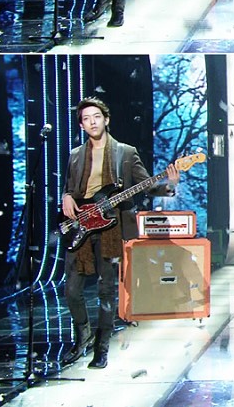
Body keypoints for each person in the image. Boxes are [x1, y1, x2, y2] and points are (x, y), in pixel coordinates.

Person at [60, 97, 178, 369]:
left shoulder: (125, 152)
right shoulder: (75, 155)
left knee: (106, 290)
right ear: (81, 125)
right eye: (86, 118)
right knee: (72, 290)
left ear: (106, 119)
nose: (92, 122)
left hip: (111, 227)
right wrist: (66, 196)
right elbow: (70, 188)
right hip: (81, 224)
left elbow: (147, 185)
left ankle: (101, 348)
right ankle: (83, 335)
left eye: (96, 117)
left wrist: (169, 185)